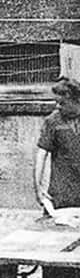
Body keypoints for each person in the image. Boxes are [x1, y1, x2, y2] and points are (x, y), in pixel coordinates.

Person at [34, 77, 80, 216]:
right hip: (62, 191)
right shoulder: (53, 121)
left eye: (62, 103)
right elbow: (41, 155)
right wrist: (38, 187)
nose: (58, 107)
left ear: (76, 100)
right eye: (56, 102)